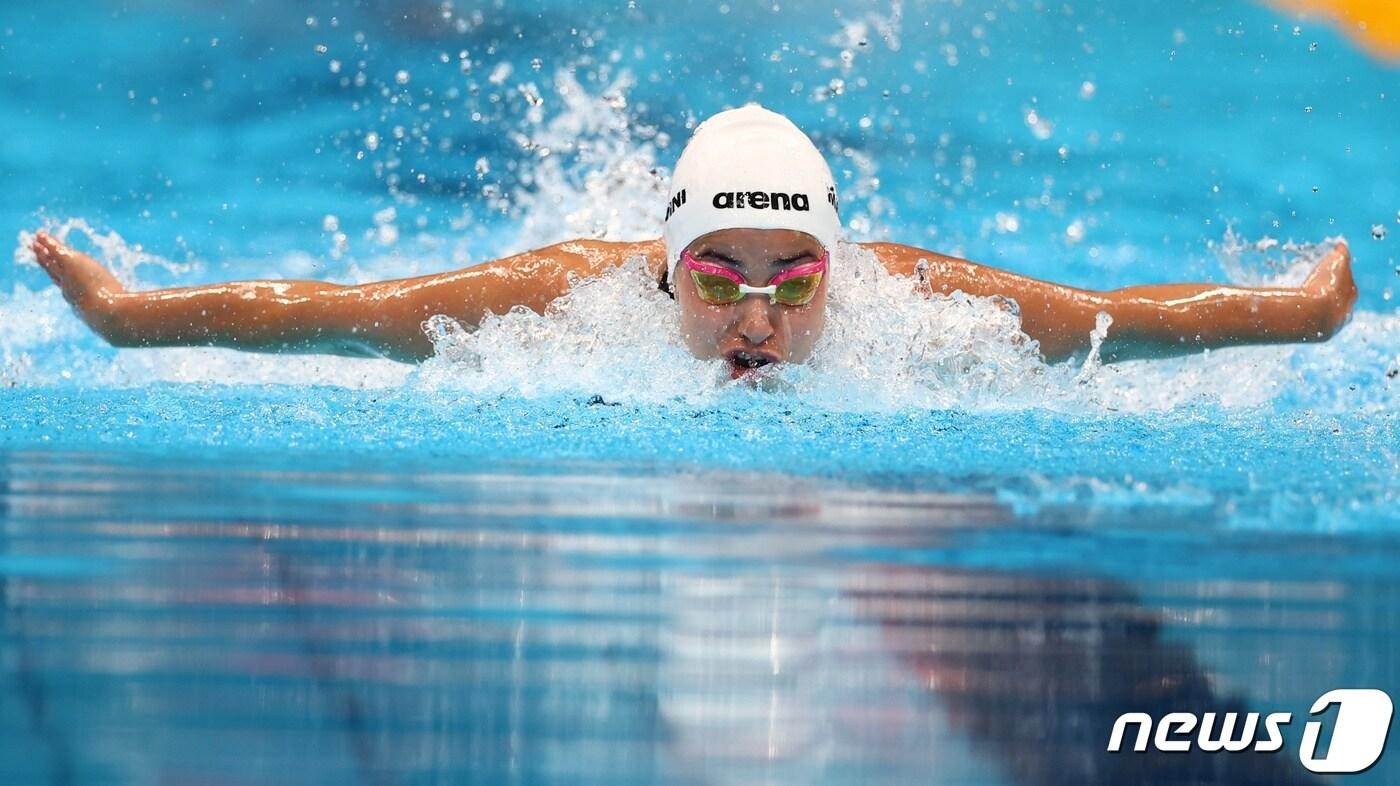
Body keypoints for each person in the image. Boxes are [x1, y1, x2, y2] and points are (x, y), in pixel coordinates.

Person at [29, 105, 1357, 379]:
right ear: (667, 268)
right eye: (719, 277)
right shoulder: (559, 303)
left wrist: (1292, 315)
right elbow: (338, 306)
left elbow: (1113, 313)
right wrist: (125, 314)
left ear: (839, 268)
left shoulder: (911, 303)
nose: (759, 319)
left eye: (794, 280)